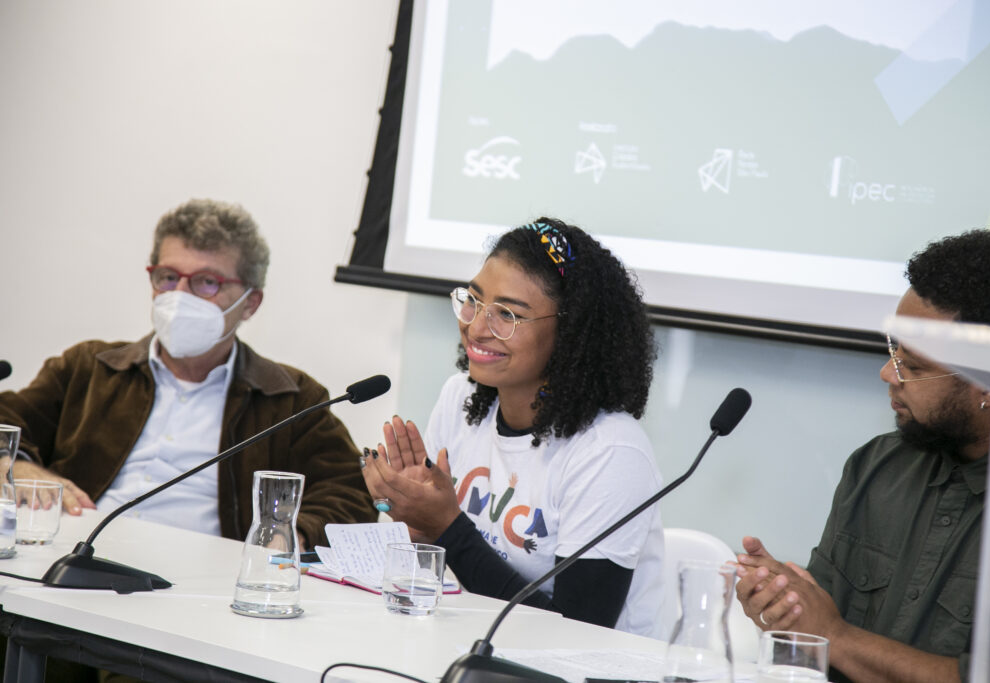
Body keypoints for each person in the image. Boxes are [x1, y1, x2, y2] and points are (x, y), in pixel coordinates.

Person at [734, 229, 990, 682]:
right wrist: (788, 610)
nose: (888, 373)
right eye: (893, 351)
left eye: (914, 366)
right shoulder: (877, 466)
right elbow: (814, 642)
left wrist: (835, 635)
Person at [0, 199, 375, 548]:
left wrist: (288, 534)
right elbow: (8, 420)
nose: (178, 295)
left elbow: (350, 492)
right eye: (167, 277)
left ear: (250, 303)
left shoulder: (290, 398)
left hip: (201, 582)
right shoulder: (89, 367)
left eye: (206, 282)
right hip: (77, 556)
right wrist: (16, 465)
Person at [360, 218, 668, 637]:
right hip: (466, 648)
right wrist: (412, 525)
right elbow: (430, 583)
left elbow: (576, 634)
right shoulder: (460, 399)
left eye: (507, 314)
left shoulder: (610, 451)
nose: (475, 327)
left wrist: (447, 528)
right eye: (473, 300)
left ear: (571, 332)